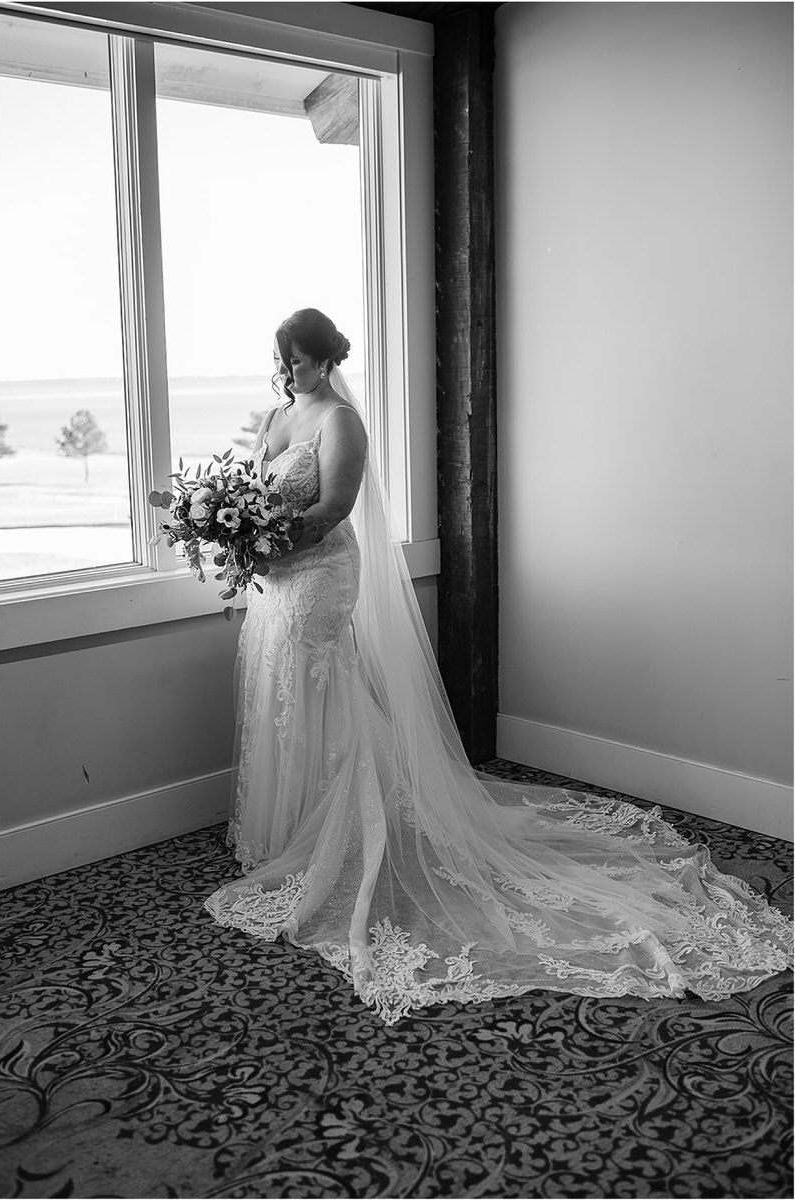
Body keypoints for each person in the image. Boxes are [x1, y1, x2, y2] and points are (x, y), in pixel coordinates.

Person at [205, 307, 792, 1026]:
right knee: (277, 684)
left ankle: (343, 829)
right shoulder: (272, 420)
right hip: (274, 580)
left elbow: (332, 508)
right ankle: (289, 826)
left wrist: (266, 542)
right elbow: (254, 491)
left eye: (296, 359)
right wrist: (233, 529)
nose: (287, 369)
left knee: (317, 683)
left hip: (319, 577)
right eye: (281, 357)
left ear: (326, 361)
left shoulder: (340, 423)